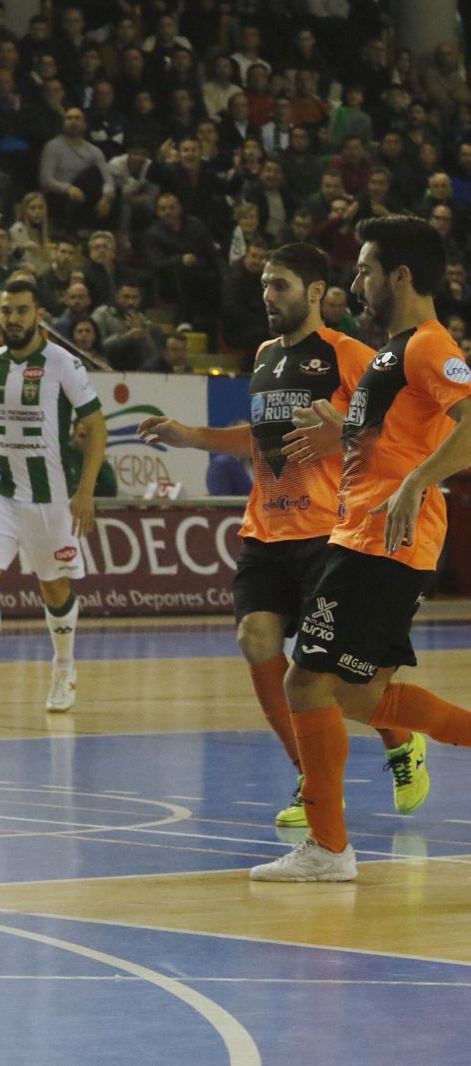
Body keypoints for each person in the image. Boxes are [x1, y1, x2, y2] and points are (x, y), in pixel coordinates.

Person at [139, 241, 428, 829]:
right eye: (265, 285)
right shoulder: (267, 354)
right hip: (266, 529)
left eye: (280, 286)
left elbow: (387, 434)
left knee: (340, 677)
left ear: (316, 292)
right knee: (256, 638)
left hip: (331, 531)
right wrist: (191, 435)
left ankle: (402, 743)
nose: (267, 297)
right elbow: (261, 438)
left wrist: (340, 435)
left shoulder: (353, 357)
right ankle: (311, 779)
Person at [248, 216, 471, 882]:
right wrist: (344, 431)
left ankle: (329, 849)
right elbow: (394, 440)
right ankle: (329, 847)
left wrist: (418, 480)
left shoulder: (429, 346)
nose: (356, 281)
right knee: (359, 697)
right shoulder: (391, 352)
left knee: (306, 681)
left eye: (366, 270)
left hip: (381, 541)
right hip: (364, 535)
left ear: (401, 276)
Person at [0, 278, 107, 714]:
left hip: (49, 496)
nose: (12, 318)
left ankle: (64, 669)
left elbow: (97, 425)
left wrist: (86, 490)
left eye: (21, 310)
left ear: (39, 314)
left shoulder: (62, 363)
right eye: (5, 310)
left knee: (53, 588)